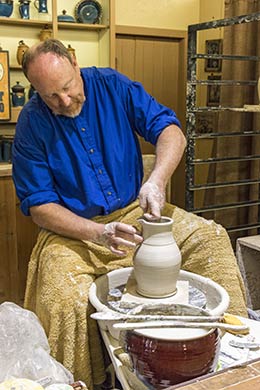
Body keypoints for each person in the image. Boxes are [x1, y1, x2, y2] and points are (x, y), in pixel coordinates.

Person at [12, 39, 247, 389]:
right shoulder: (32, 122)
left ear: (75, 64)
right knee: (60, 293)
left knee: (210, 239)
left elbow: (170, 131)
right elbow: (40, 206)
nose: (63, 102)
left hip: (136, 210)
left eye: (67, 89)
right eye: (50, 97)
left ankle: (233, 357)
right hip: (74, 229)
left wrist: (157, 180)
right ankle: (85, 381)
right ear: (36, 91)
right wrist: (96, 234)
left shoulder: (113, 85)